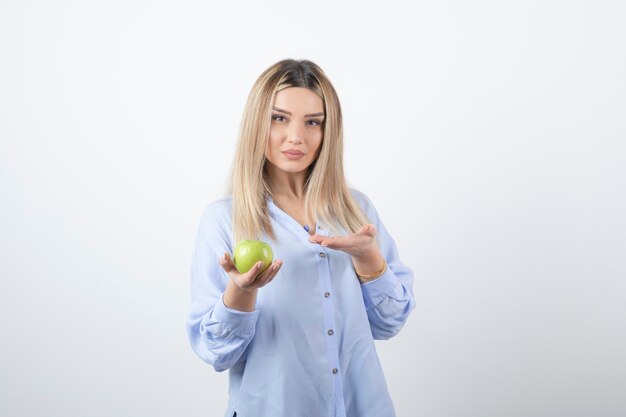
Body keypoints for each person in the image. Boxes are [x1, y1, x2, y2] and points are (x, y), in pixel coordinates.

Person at [187, 59, 416, 417]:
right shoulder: (223, 220)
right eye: (279, 118)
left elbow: (389, 323)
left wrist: (368, 258)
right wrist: (242, 291)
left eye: (313, 122)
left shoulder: (356, 211)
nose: (296, 136)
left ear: (328, 131)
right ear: (256, 123)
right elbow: (217, 353)